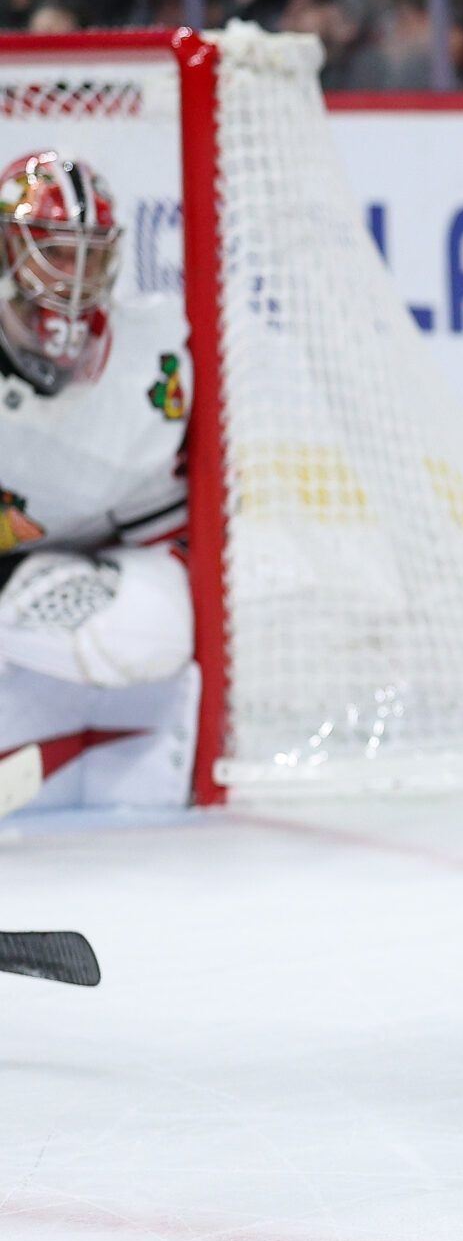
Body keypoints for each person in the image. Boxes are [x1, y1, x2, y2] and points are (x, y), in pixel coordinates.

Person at [0, 152, 198, 818]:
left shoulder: (154, 353)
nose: (75, 275)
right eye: (55, 251)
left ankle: (92, 741)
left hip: (116, 558)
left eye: (89, 254)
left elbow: (170, 524)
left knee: (147, 638)